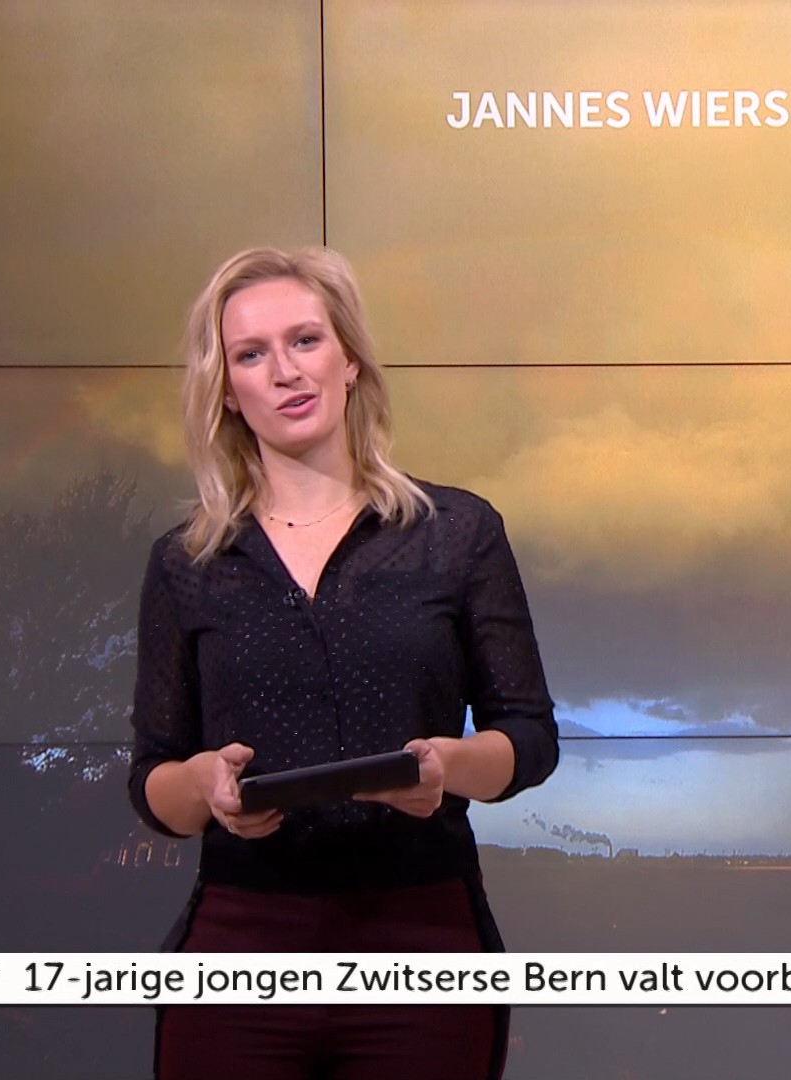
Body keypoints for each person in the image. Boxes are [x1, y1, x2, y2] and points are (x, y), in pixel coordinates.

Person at [127, 245, 559, 1080]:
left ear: (350, 359)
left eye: (305, 340)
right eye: (251, 354)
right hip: (240, 952)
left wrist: (447, 767)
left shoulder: (458, 533)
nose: (285, 371)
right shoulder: (186, 563)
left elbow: (529, 738)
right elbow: (153, 783)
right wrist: (208, 786)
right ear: (227, 390)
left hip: (423, 946)